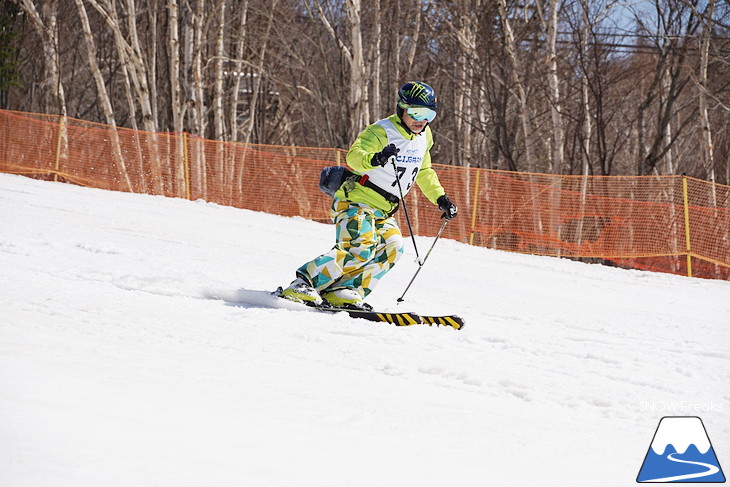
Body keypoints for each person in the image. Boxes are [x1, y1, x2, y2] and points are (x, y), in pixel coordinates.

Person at [280, 81, 458, 310]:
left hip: (384, 209)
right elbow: (353, 157)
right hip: (357, 201)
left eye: (428, 114)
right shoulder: (381, 131)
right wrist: (376, 158)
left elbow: (424, 171)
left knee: (392, 247)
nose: (420, 120)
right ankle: (303, 283)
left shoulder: (425, 136)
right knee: (359, 247)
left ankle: (344, 290)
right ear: (401, 109)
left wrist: (440, 198)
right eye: (415, 112)